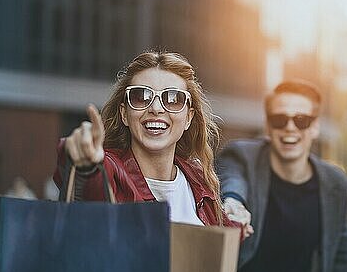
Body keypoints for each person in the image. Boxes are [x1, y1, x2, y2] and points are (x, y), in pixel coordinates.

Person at [217, 80, 347, 272]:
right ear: (267, 125)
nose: (290, 128)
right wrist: (233, 200)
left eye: (301, 120)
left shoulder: (335, 184)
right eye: (279, 119)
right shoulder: (243, 155)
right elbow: (232, 177)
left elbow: (342, 266)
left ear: (315, 127)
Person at [53, 51, 239, 228]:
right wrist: (84, 163)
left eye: (173, 99)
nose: (156, 108)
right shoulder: (107, 168)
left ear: (188, 118)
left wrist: (238, 219)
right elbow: (88, 187)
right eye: (141, 97)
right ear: (124, 114)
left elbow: (221, 237)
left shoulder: (197, 177)